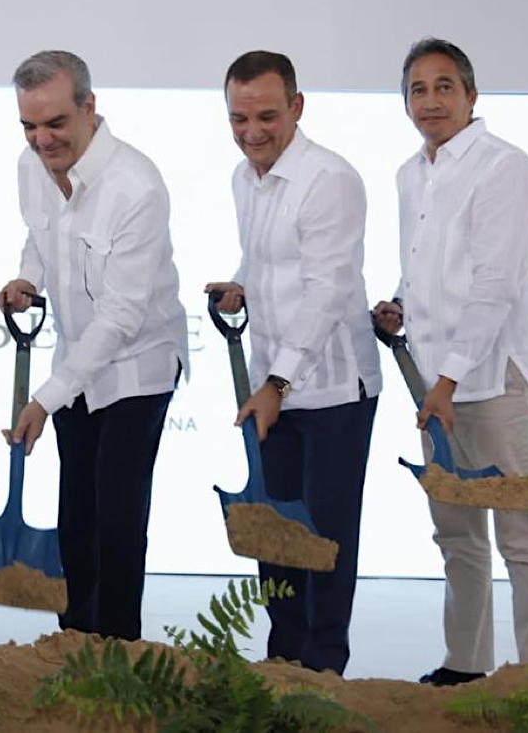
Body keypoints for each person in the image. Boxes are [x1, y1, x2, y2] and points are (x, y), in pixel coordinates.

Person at [373, 37, 528, 686]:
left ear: (472, 96)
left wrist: (447, 380)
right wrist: (398, 305)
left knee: (521, 538)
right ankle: (466, 663)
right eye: (417, 90)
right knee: (456, 533)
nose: (431, 101)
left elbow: (494, 283)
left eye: (444, 86)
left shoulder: (504, 167)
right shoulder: (409, 174)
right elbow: (429, 269)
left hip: (493, 379)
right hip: (434, 385)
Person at [0, 50, 188, 641]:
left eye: (54, 124)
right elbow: (39, 234)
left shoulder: (136, 185)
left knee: (117, 519)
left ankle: (119, 660)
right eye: (29, 126)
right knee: (75, 517)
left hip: (137, 366)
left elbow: (123, 316)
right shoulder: (31, 167)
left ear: (89, 107)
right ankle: (73, 643)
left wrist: (46, 399)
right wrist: (27, 277)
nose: (41, 139)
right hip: (76, 363)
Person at [205, 51, 381, 675]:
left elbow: (328, 288)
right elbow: (267, 260)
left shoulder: (329, 179)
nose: (252, 132)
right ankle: (281, 662)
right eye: (239, 118)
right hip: (272, 388)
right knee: (273, 530)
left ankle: (325, 670)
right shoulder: (243, 178)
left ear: (297, 108)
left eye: (267, 116)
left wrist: (279, 381)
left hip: (332, 389)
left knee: (325, 537)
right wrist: (240, 285)